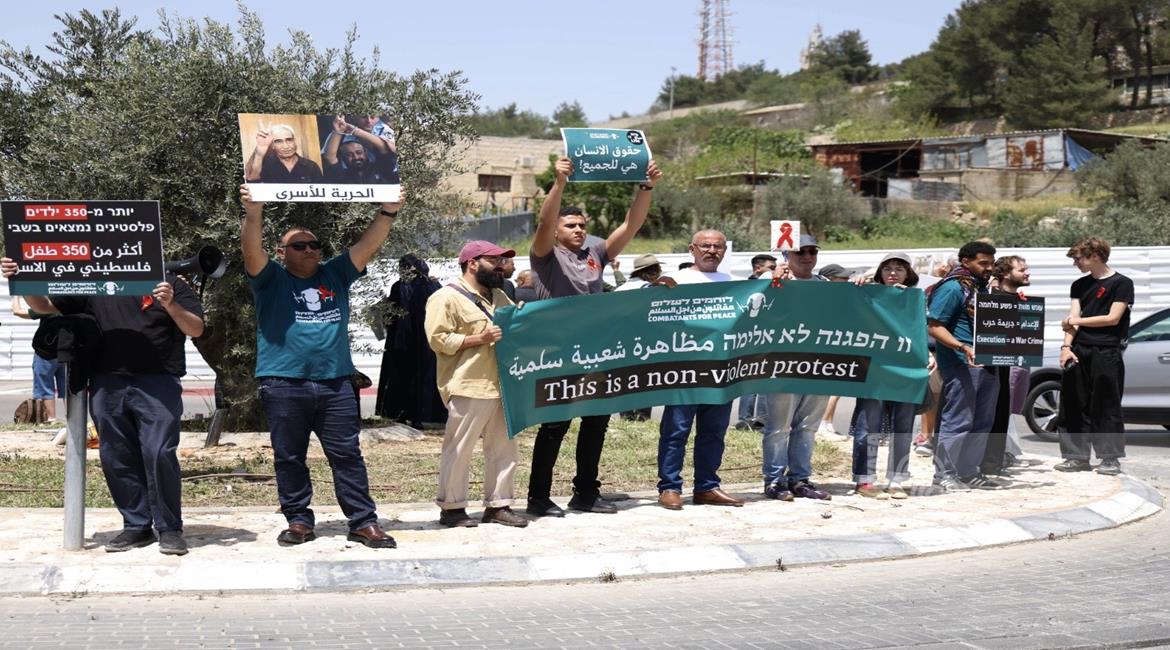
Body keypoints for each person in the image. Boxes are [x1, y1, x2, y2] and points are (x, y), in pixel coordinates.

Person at [1, 259, 204, 555]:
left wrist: (171, 305)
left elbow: (196, 328)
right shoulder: (95, 281)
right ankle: (136, 525)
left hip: (158, 380)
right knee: (116, 455)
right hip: (106, 380)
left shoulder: (170, 282)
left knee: (159, 452)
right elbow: (44, 306)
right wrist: (24, 280)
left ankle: (170, 528)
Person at [240, 183, 402, 549]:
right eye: (299, 246)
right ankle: (298, 521)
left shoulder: (336, 273)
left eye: (315, 245)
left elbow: (368, 245)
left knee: (347, 456)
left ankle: (363, 522)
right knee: (289, 457)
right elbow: (250, 250)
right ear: (282, 253)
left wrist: (388, 210)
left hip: (336, 384)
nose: (310, 250)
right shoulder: (271, 278)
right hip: (283, 383)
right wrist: (254, 212)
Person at [525, 155, 662, 517]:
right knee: (555, 425)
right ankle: (538, 497)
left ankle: (586, 493)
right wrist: (559, 183)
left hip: (597, 351)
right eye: (570, 225)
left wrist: (646, 187)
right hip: (558, 352)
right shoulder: (545, 255)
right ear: (557, 231)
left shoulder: (596, 252)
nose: (578, 230)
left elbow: (631, 225)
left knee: (597, 422)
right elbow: (544, 220)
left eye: (582, 225)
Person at [424, 240, 528, 528]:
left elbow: (514, 327)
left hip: (502, 384)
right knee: (459, 449)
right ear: (472, 263)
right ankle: (452, 508)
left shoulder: (499, 296)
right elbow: (438, 340)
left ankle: (498, 505)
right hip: (468, 383)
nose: (500, 266)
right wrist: (479, 339)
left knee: (505, 448)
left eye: (501, 261)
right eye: (494, 261)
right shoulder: (445, 297)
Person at [656, 229, 744, 510]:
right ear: (692, 249)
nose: (711, 251)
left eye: (717, 246)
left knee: (714, 432)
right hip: (685, 370)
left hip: (720, 371)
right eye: (705, 246)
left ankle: (707, 487)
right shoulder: (676, 280)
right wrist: (655, 290)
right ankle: (670, 488)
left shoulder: (734, 283)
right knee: (676, 431)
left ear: (725, 251)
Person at [849, 253, 933, 500]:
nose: (893, 273)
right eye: (887, 268)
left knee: (903, 425)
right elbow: (848, 308)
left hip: (906, 369)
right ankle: (864, 480)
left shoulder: (916, 299)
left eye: (899, 268)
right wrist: (859, 282)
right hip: (873, 369)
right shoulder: (868, 294)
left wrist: (928, 354)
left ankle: (897, 478)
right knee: (868, 424)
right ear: (880, 273)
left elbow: (920, 331)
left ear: (908, 274)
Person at [760, 234, 832, 502]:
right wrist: (773, 281)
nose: (807, 256)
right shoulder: (772, 280)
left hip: (818, 366)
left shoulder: (825, 285)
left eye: (813, 251)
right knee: (778, 427)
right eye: (800, 251)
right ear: (786, 255)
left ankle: (800, 479)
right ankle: (774, 480)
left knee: (808, 426)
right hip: (782, 366)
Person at [926, 240, 1001, 492]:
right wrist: (962, 347)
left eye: (991, 263)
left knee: (982, 421)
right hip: (961, 364)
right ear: (966, 262)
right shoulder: (953, 288)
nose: (989, 268)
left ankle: (969, 472)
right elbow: (935, 326)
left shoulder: (982, 289)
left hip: (988, 363)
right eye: (983, 263)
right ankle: (943, 474)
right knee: (957, 421)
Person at [1055, 237, 1133, 476]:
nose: (1075, 263)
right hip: (1079, 350)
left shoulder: (1122, 283)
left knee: (1106, 404)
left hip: (1107, 351)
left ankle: (1110, 458)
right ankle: (1076, 457)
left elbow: (1112, 318)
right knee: (1073, 402)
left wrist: (1075, 320)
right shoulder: (1079, 285)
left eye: (1078, 258)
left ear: (1095, 256)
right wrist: (1066, 347)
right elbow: (1073, 319)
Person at [375, 254, 447, 429]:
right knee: (424, 377)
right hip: (426, 342)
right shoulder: (434, 286)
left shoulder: (399, 287)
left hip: (401, 344)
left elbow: (390, 315)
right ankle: (422, 416)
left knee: (401, 379)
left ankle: (400, 414)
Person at [980, 255, 1031, 476]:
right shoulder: (990, 298)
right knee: (990, 414)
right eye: (1022, 269)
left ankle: (994, 462)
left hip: (1012, 365)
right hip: (990, 367)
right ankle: (984, 462)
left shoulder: (1021, 300)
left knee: (1003, 413)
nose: (1027, 273)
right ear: (1005, 274)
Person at [812, 263, 862, 442]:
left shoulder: (842, 295)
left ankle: (828, 423)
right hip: (827, 345)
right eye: (843, 278)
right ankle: (822, 423)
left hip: (840, 343)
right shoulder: (823, 296)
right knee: (832, 386)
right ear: (828, 279)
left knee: (837, 386)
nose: (847, 280)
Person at [735, 254, 777, 431]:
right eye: (772, 267)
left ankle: (756, 420)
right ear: (758, 268)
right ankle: (749, 420)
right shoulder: (748, 287)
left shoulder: (771, 285)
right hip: (752, 340)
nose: (775, 271)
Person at [11, 296, 67, 423]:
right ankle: (73, 419)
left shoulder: (47, 307)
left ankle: (51, 419)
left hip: (45, 353)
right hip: (66, 352)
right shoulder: (72, 305)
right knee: (68, 389)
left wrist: (16, 296)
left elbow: (17, 311)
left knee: (45, 388)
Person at [322, 115, 400, 185]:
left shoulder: (380, 168)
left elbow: (384, 148)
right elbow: (330, 157)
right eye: (349, 155)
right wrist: (338, 131)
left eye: (359, 152)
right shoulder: (341, 174)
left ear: (366, 152)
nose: (356, 157)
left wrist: (354, 131)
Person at [244, 120, 323, 184]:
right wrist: (259, 153)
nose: (286, 146)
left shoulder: (311, 166)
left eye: (289, 140)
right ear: (272, 146)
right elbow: (251, 180)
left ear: (294, 141)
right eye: (278, 141)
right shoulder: (264, 164)